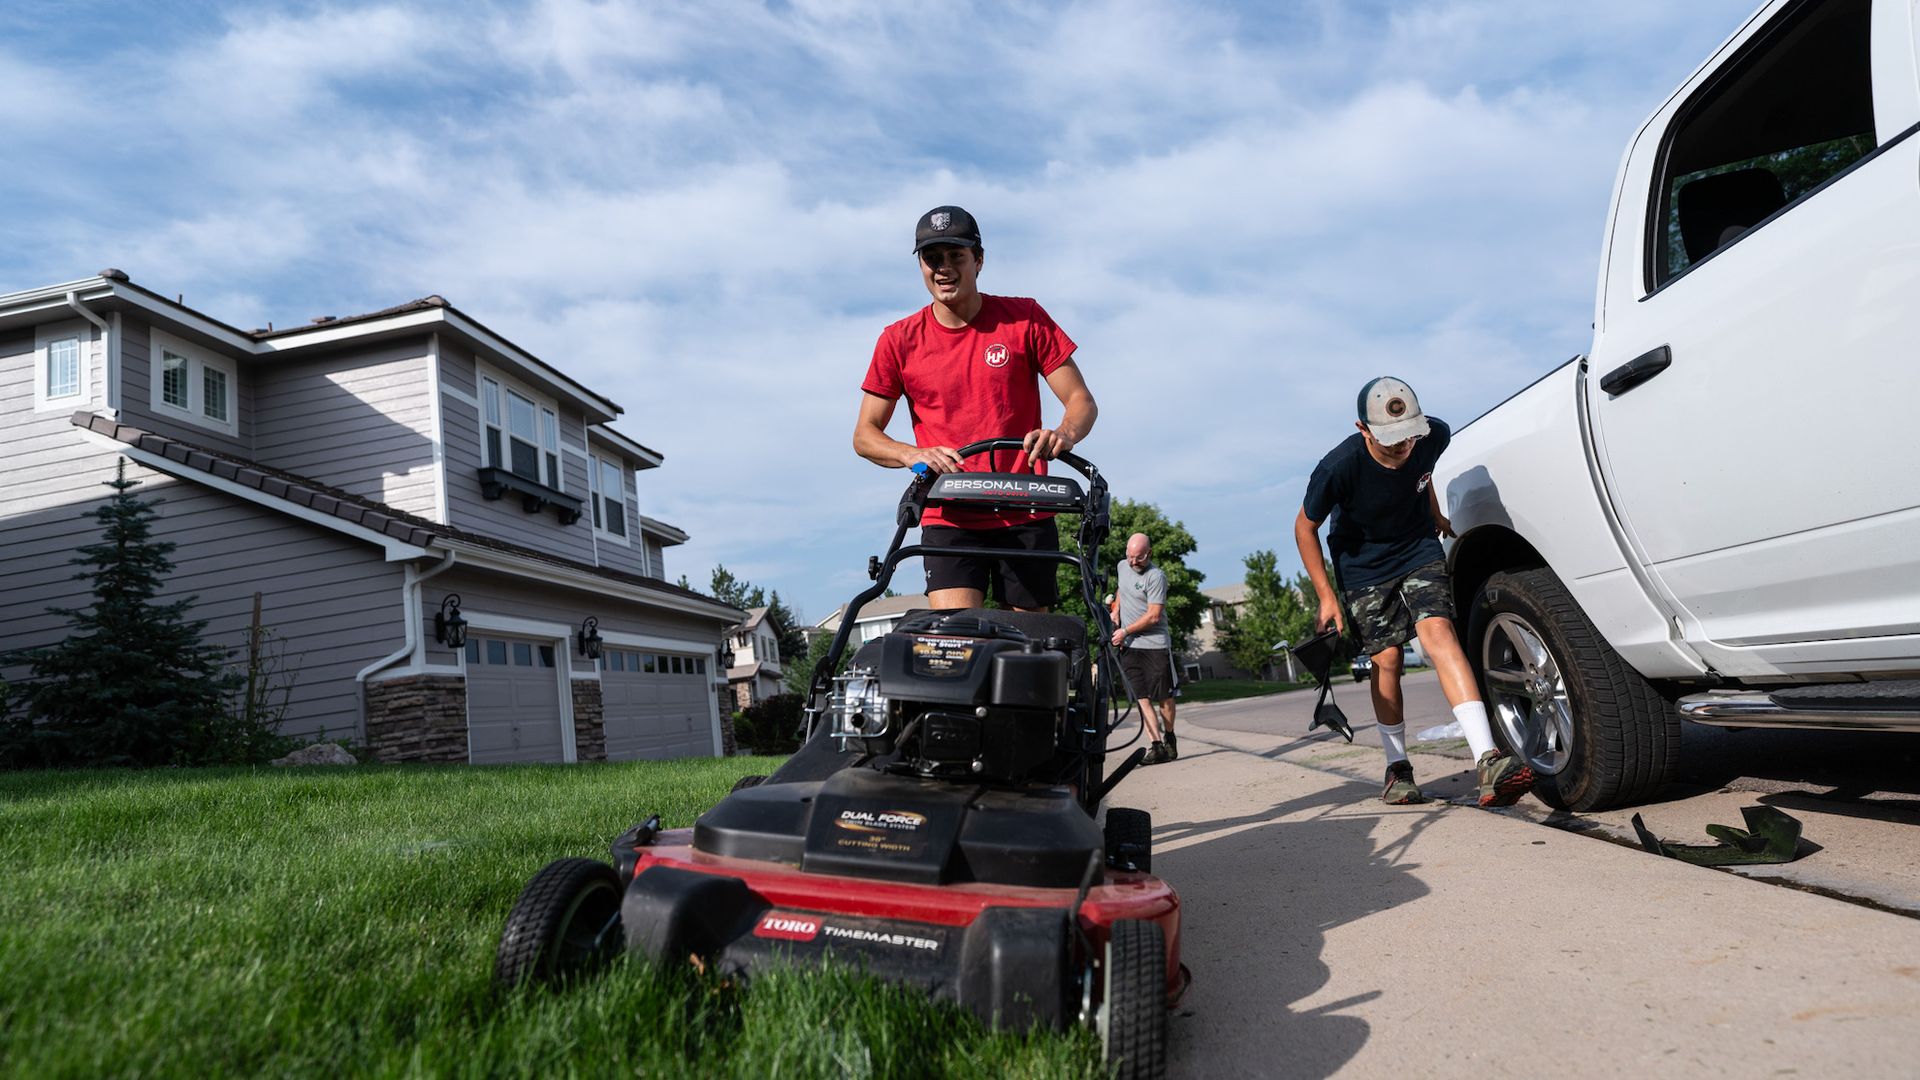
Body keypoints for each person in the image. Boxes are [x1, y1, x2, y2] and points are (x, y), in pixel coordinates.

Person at [1293, 376, 1533, 807]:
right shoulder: (1337, 467)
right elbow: (1304, 527)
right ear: (1363, 429)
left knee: (1438, 632)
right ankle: (1398, 767)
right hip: (1363, 566)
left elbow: (1423, 475)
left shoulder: (1432, 434)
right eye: (1390, 441)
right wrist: (1326, 596)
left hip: (1417, 547)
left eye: (1408, 437)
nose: (1402, 446)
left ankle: (1488, 760)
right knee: (1386, 661)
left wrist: (1436, 513)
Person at [855, 205, 1098, 611]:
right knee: (956, 645)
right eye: (932, 259)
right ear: (921, 266)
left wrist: (1063, 434)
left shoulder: (1026, 319)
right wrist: (911, 454)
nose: (943, 269)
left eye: (956, 257)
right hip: (949, 515)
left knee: (1029, 650)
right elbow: (865, 435)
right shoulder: (898, 341)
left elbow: (1081, 401)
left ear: (979, 260)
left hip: (1026, 509)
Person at [1109, 533, 1179, 764]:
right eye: (1129, 557)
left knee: (1164, 698)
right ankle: (1156, 746)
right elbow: (1121, 589)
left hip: (1154, 646)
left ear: (1148, 553)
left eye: (1138, 558)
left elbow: (1154, 616)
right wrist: (1117, 610)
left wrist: (1125, 631)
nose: (1132, 562)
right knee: (1142, 698)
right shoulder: (1122, 566)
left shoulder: (1156, 577)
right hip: (1130, 647)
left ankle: (1169, 737)